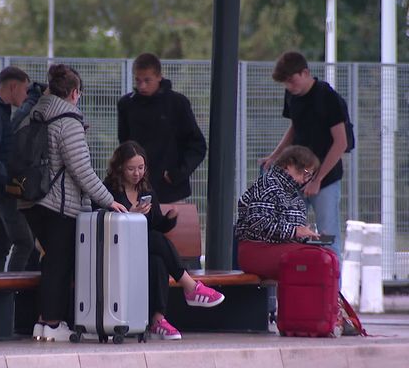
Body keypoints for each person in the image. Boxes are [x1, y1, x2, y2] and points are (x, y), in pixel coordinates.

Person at [23, 64, 127, 342]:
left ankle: (43, 324)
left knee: (50, 264)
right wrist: (108, 200)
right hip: (59, 205)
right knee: (60, 264)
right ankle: (55, 324)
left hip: (32, 200)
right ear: (74, 92)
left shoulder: (33, 114)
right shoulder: (67, 121)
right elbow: (81, 170)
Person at [102, 141, 225, 340]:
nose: (137, 173)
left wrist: (169, 219)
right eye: (131, 169)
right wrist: (130, 215)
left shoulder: (146, 191)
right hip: (116, 250)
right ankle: (190, 287)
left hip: (141, 251)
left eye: (141, 168)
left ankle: (157, 320)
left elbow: (157, 224)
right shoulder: (109, 191)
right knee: (155, 239)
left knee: (158, 261)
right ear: (119, 168)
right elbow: (104, 223)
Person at [260, 51, 347, 262]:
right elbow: (294, 128)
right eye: (285, 83)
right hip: (297, 177)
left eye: (292, 81)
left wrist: (317, 179)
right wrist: (275, 156)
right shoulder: (291, 96)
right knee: (290, 232)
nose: (289, 87)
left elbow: (340, 142)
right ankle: (295, 286)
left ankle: (332, 292)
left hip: (325, 178)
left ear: (305, 72)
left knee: (328, 237)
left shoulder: (327, 97)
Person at [0, 67, 41, 272]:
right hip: (2, 189)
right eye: (24, 90)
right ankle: (10, 295)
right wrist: (9, 180)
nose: (26, 95)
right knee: (25, 243)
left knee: (1, 244)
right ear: (13, 87)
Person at [117, 53, 206, 203]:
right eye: (138, 80)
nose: (142, 86)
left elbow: (197, 145)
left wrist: (177, 173)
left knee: (172, 224)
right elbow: (124, 145)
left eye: (147, 80)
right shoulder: (126, 105)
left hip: (171, 191)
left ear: (159, 77)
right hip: (136, 190)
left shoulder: (177, 104)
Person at [236, 145, 323, 279]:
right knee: (315, 260)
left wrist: (307, 236)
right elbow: (258, 223)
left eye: (310, 176)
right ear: (289, 165)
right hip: (257, 250)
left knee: (323, 256)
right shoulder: (268, 184)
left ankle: (308, 300)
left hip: (276, 248)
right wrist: (295, 232)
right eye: (306, 172)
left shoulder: (293, 193)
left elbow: (293, 230)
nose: (307, 179)